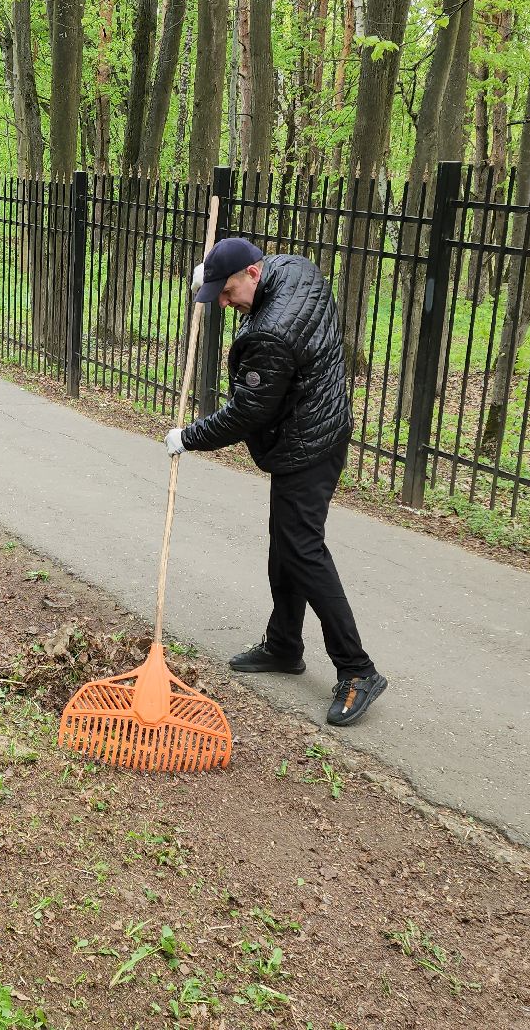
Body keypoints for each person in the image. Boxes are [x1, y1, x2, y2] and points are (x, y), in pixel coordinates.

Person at [164, 237, 386, 727]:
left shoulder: (270, 334)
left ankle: (357, 668)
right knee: (285, 544)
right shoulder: (294, 269)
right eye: (217, 295)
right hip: (317, 426)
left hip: (309, 445)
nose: (224, 303)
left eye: (228, 292)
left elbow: (246, 412)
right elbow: (244, 288)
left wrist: (188, 437)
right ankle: (284, 644)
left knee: (302, 550)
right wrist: (211, 275)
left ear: (254, 274)